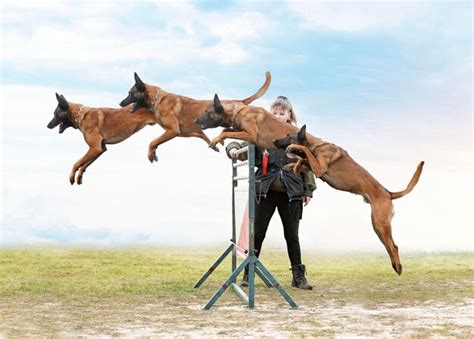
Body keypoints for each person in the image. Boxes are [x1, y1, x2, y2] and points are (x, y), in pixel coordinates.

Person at [226, 96, 316, 290]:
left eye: (281, 113)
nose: (277, 116)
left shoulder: (299, 137)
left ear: (289, 115)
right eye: (274, 112)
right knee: (258, 233)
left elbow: (308, 165)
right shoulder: (261, 133)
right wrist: (232, 148)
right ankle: (248, 273)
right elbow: (240, 147)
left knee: (292, 235)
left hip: (292, 194)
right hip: (264, 192)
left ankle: (298, 277)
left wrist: (308, 190)